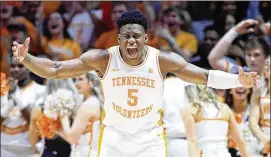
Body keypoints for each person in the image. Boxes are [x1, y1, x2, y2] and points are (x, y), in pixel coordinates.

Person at [12, 10, 259, 157]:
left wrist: (238, 78)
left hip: (148, 138)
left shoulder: (162, 60)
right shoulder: (103, 58)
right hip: (114, 138)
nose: (131, 42)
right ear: (118, 38)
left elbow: (205, 77)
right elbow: (55, 70)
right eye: (127, 37)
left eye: (136, 37)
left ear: (146, 38)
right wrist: (27, 58)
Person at [182, 84, 249, 157]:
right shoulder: (225, 108)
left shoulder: (190, 110)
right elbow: (240, 141)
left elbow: (192, 142)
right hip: (224, 154)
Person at [29, 79, 77, 157]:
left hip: (49, 153)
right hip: (73, 152)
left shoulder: (38, 110)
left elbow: (33, 141)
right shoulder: (77, 109)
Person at [68, 72, 102, 157]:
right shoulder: (89, 101)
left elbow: (71, 138)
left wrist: (62, 118)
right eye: (75, 80)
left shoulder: (89, 104)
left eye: (80, 79)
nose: (76, 84)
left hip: (87, 152)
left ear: (92, 82)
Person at [250, 56, 270, 157]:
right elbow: (253, 120)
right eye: (267, 64)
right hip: (264, 138)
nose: (269, 66)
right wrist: (262, 137)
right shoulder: (258, 92)